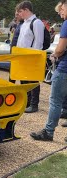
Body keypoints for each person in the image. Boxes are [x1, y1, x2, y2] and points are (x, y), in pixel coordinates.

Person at [30, 0, 67, 143]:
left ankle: (48, 132)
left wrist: (54, 55)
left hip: (64, 68)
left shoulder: (66, 24)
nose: (61, 13)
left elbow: (60, 48)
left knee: (55, 101)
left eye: (62, 10)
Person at [16, 1, 44, 113]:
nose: (19, 14)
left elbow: (39, 42)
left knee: (33, 81)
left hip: (31, 57)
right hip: (22, 57)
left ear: (27, 9)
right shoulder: (24, 23)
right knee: (23, 80)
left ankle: (34, 104)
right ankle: (26, 102)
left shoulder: (36, 23)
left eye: (21, 11)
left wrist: (33, 58)